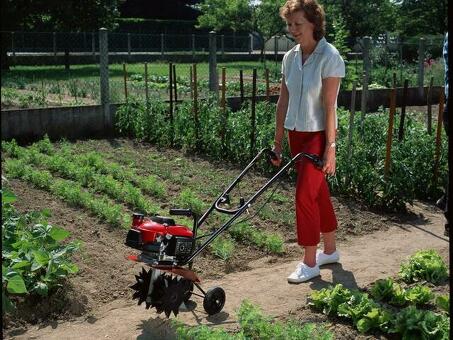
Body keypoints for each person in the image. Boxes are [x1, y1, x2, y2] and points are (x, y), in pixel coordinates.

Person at [271, 0, 345, 283]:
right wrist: (278, 143)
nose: (292, 29)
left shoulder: (329, 56)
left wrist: (331, 148)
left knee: (304, 194)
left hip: (317, 136)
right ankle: (330, 250)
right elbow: (284, 100)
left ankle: (310, 262)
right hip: (295, 134)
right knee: (316, 192)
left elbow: (329, 107)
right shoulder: (290, 57)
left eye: (297, 24)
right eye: (289, 24)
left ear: (313, 23)